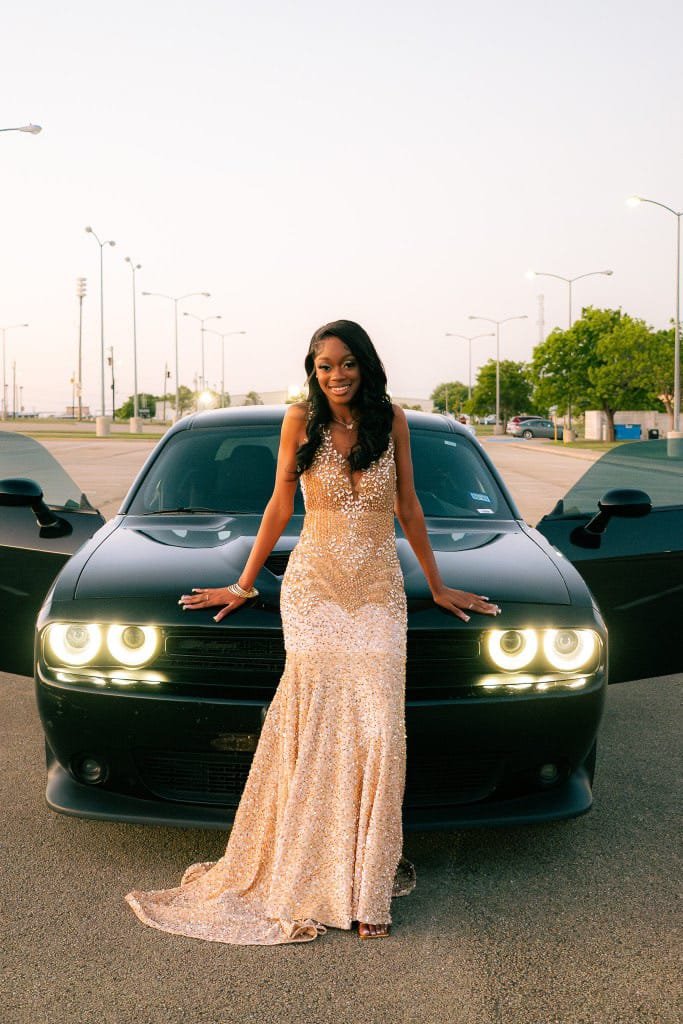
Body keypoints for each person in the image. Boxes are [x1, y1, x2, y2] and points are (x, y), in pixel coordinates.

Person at [124, 319, 501, 945]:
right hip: (314, 590)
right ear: (313, 371)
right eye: (325, 366)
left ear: (366, 365)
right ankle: (311, 871)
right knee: (317, 730)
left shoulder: (393, 421)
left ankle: (365, 883)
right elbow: (280, 504)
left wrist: (437, 585)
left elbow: (409, 506)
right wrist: (243, 584)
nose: (336, 375)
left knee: (380, 731)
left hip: (377, 591)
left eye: (347, 363)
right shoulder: (299, 420)